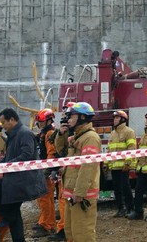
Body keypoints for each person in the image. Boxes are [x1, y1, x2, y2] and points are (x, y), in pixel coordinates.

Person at [0, 108, 47, 242]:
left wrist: (7, 166)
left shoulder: (24, 133)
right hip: (13, 178)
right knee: (15, 216)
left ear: (12, 120)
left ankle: (8, 216)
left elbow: (27, 155)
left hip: (22, 182)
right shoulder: (13, 134)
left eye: (4, 122)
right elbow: (9, 157)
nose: (2, 126)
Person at [54, 102, 101, 242]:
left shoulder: (90, 138)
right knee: (71, 232)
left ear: (82, 117)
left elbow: (88, 167)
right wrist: (61, 134)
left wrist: (80, 193)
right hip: (71, 193)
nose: (68, 119)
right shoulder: (78, 137)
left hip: (82, 195)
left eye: (71, 116)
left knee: (82, 234)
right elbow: (60, 151)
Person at [48, 102, 75, 242]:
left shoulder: (77, 131)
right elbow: (58, 149)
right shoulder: (63, 129)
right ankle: (64, 228)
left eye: (67, 113)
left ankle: (65, 229)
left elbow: (68, 151)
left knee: (66, 201)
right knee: (62, 199)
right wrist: (60, 133)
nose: (64, 115)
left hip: (71, 171)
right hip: (63, 169)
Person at [104, 110, 136, 217]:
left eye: (117, 118)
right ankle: (120, 209)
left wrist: (127, 163)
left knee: (126, 188)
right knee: (117, 189)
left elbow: (131, 149)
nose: (114, 120)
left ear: (123, 119)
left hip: (123, 167)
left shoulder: (129, 132)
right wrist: (106, 163)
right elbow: (109, 150)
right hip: (114, 166)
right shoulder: (112, 134)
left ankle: (130, 208)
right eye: (114, 118)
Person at [33, 108, 57, 238]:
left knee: (44, 198)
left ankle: (46, 224)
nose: (39, 124)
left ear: (48, 120)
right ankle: (47, 222)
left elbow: (51, 153)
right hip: (43, 169)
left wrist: (47, 170)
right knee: (45, 199)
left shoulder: (49, 134)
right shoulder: (44, 133)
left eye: (41, 122)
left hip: (45, 171)